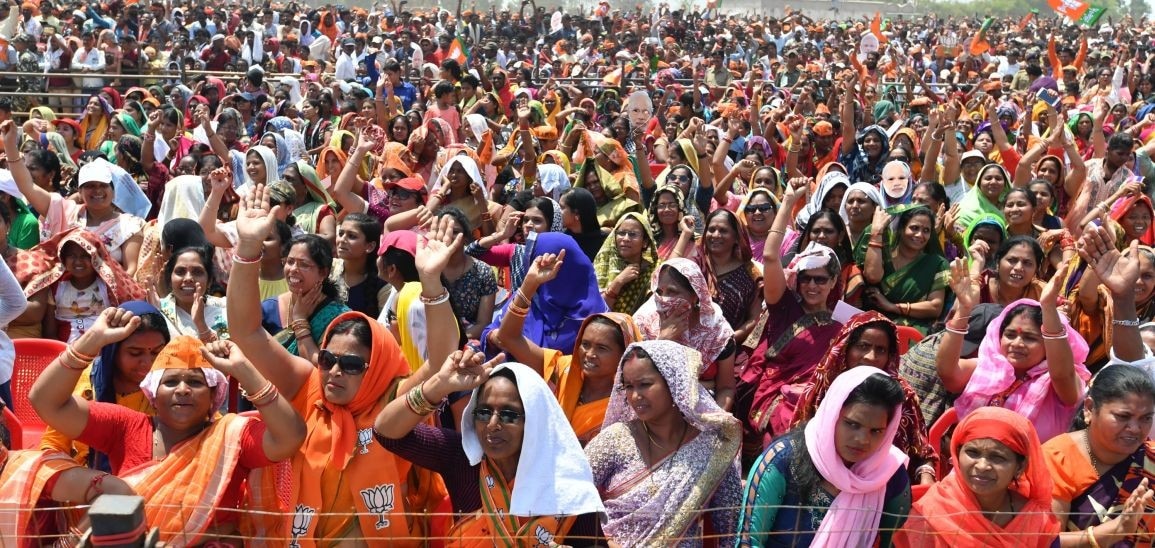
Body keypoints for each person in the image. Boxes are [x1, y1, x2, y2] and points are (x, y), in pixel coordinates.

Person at [227, 185, 462, 545]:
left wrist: (430, 282)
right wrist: (246, 250)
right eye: (328, 359)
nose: (334, 371)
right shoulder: (308, 386)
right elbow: (246, 332)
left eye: (351, 364)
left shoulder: (392, 400)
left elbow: (442, 360)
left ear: (377, 367)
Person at [28, 311, 306, 544]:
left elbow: (290, 437)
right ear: (152, 395)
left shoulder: (230, 437)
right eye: (171, 382)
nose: (183, 390)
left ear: (214, 398)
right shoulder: (127, 426)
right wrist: (93, 340)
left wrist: (244, 368)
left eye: (196, 383)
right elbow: (46, 402)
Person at [374, 350, 605, 546]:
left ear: (534, 419)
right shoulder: (462, 458)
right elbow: (386, 432)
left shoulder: (569, 489)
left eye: (508, 414)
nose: (492, 425)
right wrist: (439, 385)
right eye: (483, 412)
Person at [584, 340, 742, 546]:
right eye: (628, 386)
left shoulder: (712, 449)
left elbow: (732, 528)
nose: (635, 396)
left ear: (674, 382)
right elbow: (570, 493)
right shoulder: (616, 439)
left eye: (645, 384)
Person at [736, 366, 911, 547]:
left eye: (876, 431)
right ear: (832, 414)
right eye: (852, 424)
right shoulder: (782, 460)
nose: (862, 440)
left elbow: (892, 541)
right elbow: (747, 541)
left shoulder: (888, 475)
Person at [496, 244, 643, 443]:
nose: (589, 354)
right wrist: (529, 285)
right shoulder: (563, 370)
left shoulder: (632, 403)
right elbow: (509, 338)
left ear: (623, 355)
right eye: (585, 344)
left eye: (602, 348)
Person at [938, 255, 1090, 442]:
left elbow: (1061, 375)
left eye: (1030, 338)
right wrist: (964, 309)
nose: (1017, 343)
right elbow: (948, 373)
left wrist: (1049, 308)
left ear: (1048, 345)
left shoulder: (1060, 379)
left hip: (1034, 468)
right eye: (1010, 335)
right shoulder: (989, 368)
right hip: (976, 463)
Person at [792, 312, 938, 485]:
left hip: (884, 485)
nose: (871, 357)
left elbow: (922, 454)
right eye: (863, 346)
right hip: (822, 478)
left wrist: (926, 478)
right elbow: (802, 439)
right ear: (846, 347)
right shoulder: (825, 387)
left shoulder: (902, 396)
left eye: (880, 350)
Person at [896, 406, 1060, 548]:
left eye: (998, 457)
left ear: (1020, 466)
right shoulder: (931, 512)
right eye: (972, 453)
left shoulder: (1037, 520)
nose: (982, 466)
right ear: (957, 453)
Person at [39, 300, 169, 469]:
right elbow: (53, 444)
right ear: (112, 350)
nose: (147, 362)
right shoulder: (87, 382)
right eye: (135, 353)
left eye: (157, 352)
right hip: (85, 481)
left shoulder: (171, 385)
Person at [5, 122, 145, 275]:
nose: (97, 190)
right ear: (80, 191)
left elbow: (131, 271)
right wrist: (10, 145)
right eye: (90, 186)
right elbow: (26, 185)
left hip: (108, 295)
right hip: (61, 294)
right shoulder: (64, 210)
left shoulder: (130, 225)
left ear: (113, 191)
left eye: (103, 185)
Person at [1043, 364, 1155, 546]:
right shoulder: (1058, 458)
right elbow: (1045, 541)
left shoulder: (1151, 458)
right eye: (1123, 416)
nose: (1135, 429)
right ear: (1089, 408)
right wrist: (1115, 530)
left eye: (1146, 418)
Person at [481, 233, 609, 358]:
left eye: (553, 267)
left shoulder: (595, 318)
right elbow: (491, 331)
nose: (546, 273)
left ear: (570, 268)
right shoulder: (530, 297)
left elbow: (548, 366)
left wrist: (508, 338)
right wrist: (494, 337)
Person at [632, 259, 736, 411]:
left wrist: (716, 421)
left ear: (695, 296)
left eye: (672, 292)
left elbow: (726, 388)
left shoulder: (717, 332)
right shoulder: (644, 324)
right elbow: (635, 379)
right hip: (652, 409)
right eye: (659, 292)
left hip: (704, 410)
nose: (664, 299)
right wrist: (663, 341)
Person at [863, 205, 949, 334]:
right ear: (901, 229)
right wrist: (876, 232)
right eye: (914, 228)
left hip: (914, 330)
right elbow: (872, 276)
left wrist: (893, 307)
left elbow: (935, 307)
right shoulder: (883, 255)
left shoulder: (937, 263)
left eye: (926, 230)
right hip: (875, 324)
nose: (920, 235)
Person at [157, 245, 228, 342]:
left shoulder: (225, 310)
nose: (188, 278)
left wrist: (201, 325)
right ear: (170, 279)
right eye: (180, 272)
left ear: (209, 281)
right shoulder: (158, 311)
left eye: (197, 272)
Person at [594, 212, 657, 315]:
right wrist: (618, 282)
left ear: (645, 241)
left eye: (632, 234)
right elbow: (596, 312)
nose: (626, 239)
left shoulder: (654, 271)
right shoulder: (602, 268)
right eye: (621, 233)